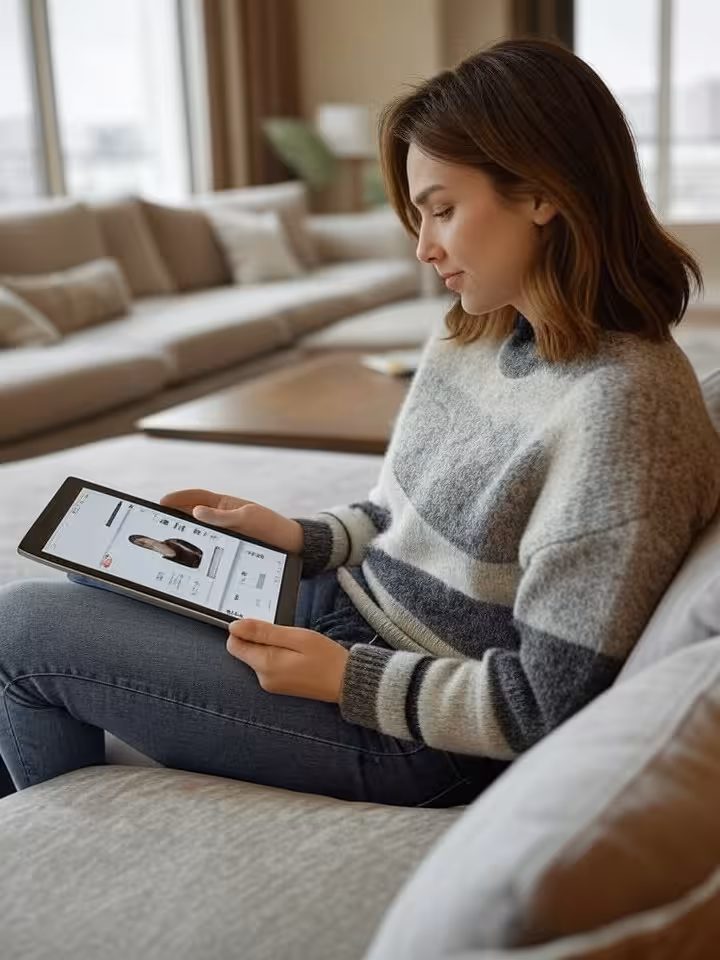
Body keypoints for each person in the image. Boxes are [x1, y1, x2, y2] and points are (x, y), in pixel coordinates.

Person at [1, 37, 720, 807]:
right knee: (99, 557)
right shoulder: (476, 329)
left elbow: (546, 705)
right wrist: (299, 538)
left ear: (544, 192)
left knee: (21, 629)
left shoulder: (624, 410)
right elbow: (394, 517)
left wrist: (343, 675)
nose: (423, 246)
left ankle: (54, 861)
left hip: (420, 733)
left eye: (443, 209)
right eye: (418, 215)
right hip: (349, 605)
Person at [127, 534, 203, 569]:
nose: (145, 544)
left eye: (143, 542)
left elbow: (197, 551)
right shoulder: (164, 559)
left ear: (146, 537)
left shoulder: (173, 541)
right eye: (141, 545)